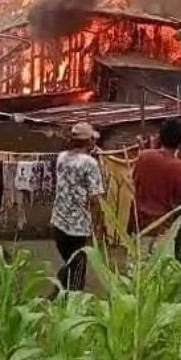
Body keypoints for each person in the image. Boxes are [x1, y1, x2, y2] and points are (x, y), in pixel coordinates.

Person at [51, 122, 106, 293]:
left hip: (59, 222)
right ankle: (66, 299)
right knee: (77, 273)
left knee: (70, 264)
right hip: (78, 227)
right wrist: (97, 225)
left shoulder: (61, 157)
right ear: (89, 141)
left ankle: (58, 294)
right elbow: (95, 198)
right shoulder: (90, 163)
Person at [129, 119, 181, 238]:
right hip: (162, 225)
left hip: (138, 223)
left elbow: (134, 181)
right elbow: (180, 199)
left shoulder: (144, 156)